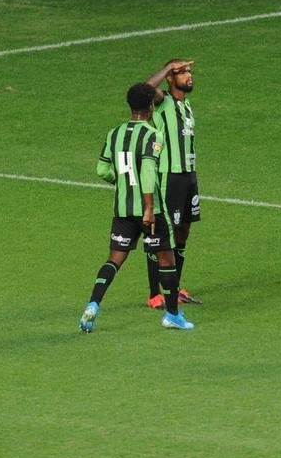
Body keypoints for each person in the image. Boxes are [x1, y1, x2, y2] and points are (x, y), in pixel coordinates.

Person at [80, 82, 194, 332]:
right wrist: (149, 208)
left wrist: (121, 182)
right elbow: (149, 172)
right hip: (150, 211)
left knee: (114, 260)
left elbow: (102, 169)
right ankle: (173, 315)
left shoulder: (114, 133)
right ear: (151, 106)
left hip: (123, 210)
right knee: (167, 259)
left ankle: (93, 304)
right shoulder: (153, 135)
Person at [143, 59, 202, 309]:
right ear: (170, 78)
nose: (189, 75)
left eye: (189, 71)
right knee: (162, 233)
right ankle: (155, 293)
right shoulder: (163, 101)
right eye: (182, 72)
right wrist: (168, 67)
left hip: (189, 176)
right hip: (170, 176)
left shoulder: (186, 106)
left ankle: (174, 287)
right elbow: (144, 90)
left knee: (183, 231)